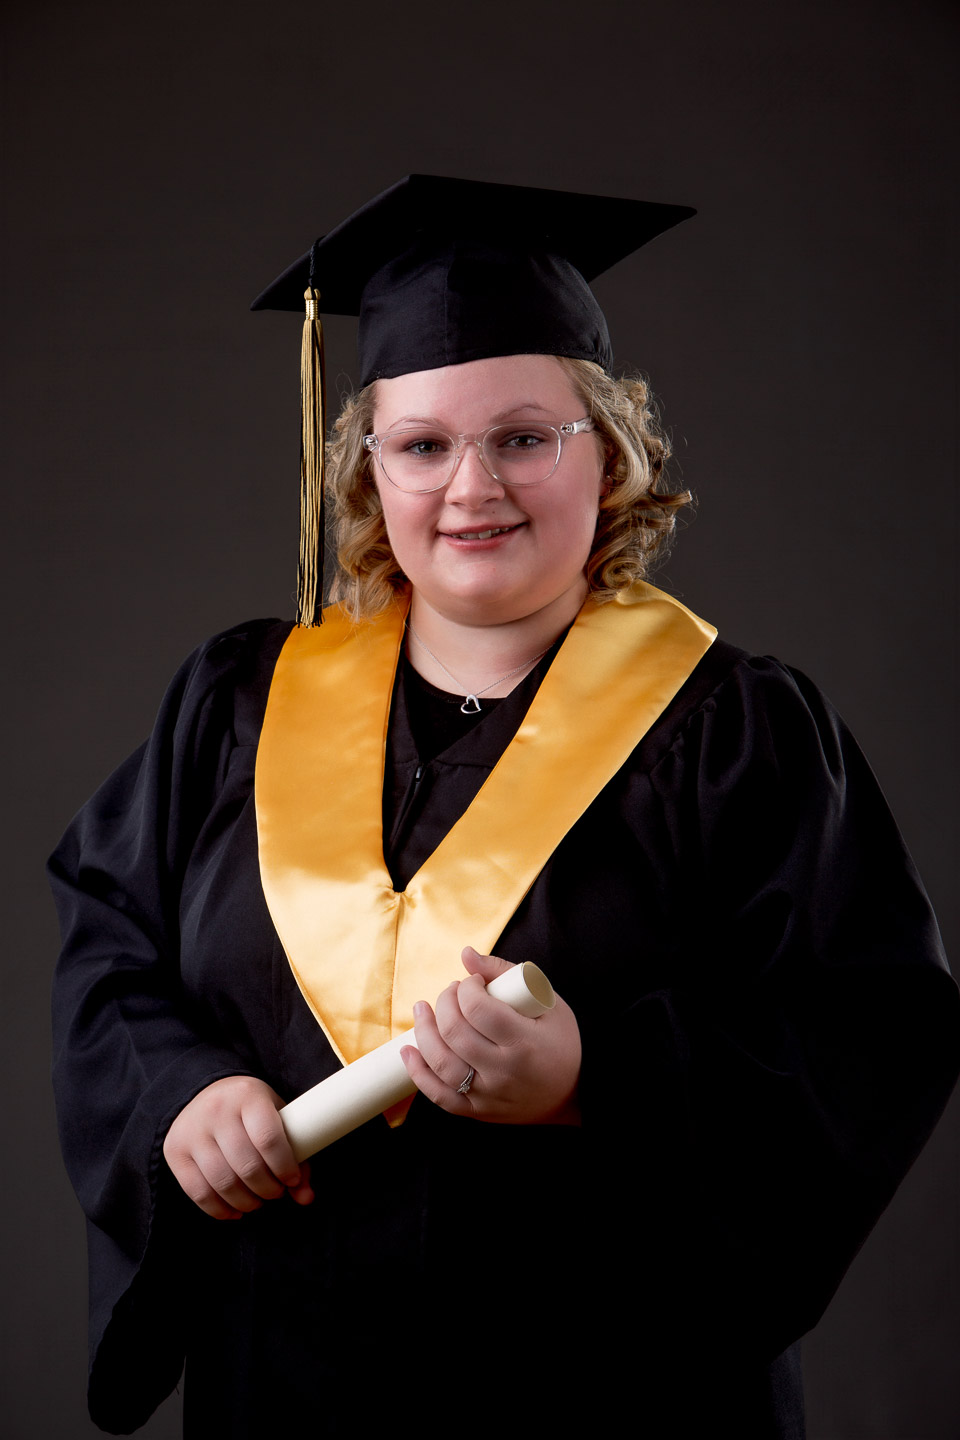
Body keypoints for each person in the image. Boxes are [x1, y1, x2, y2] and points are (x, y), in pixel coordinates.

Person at [50, 176, 959, 1439]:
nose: (471, 486)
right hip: (285, 1386)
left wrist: (596, 1080)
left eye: (524, 438)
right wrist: (182, 1096)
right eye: (422, 445)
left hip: (607, 1391)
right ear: (369, 472)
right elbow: (111, 946)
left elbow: (866, 1034)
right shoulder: (238, 705)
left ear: (611, 456)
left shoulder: (734, 732)